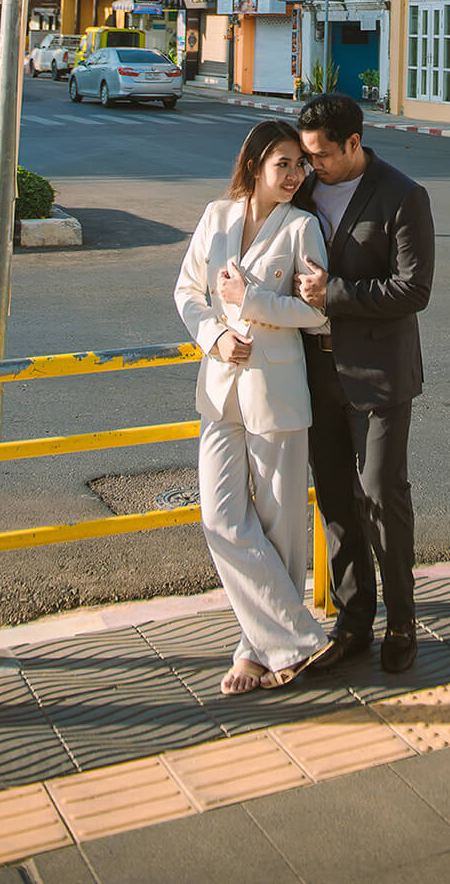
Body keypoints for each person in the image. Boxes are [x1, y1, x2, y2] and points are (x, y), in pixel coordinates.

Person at [174, 120, 331, 694]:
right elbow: (187, 291)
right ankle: (296, 640)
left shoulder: (302, 228)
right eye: (282, 164)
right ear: (254, 166)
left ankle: (255, 648)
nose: (293, 175)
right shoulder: (217, 218)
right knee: (219, 516)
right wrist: (215, 334)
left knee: (279, 525)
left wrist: (254, 303)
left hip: (278, 391)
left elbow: (317, 314)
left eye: (299, 165)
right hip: (219, 389)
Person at [293, 93, 434, 674]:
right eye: (305, 155)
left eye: (322, 155)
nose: (312, 165)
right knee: (334, 499)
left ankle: (402, 621)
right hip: (313, 373)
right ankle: (353, 622)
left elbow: (414, 290)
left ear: (354, 143)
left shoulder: (402, 195)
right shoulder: (299, 192)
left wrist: (335, 296)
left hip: (378, 377)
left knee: (380, 494)